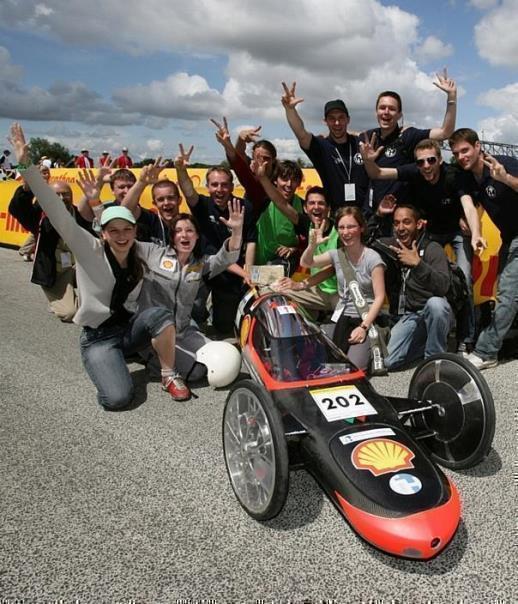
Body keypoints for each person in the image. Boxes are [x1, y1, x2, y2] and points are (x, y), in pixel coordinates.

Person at [9, 122, 193, 406]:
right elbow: (57, 213)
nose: (121, 236)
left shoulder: (140, 249)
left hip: (129, 329)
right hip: (99, 338)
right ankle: (105, 360)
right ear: (102, 232)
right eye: (114, 230)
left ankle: (168, 373)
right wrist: (26, 166)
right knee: (117, 399)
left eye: (127, 229)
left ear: (134, 231)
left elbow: (176, 259)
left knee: (158, 315)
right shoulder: (89, 249)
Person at [360, 137, 485, 352]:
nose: (426, 166)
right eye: (421, 162)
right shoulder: (414, 172)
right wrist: (368, 160)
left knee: (464, 277)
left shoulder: (454, 175)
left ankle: (466, 337)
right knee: (415, 271)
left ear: (440, 160)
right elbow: (377, 173)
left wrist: (476, 233)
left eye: (431, 160)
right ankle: (417, 323)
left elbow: (469, 206)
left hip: (456, 231)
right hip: (431, 232)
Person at [137, 206, 244, 380]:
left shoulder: (200, 264)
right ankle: (154, 361)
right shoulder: (153, 253)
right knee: (197, 372)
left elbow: (227, 258)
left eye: (189, 231)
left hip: (184, 331)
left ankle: (177, 356)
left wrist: (237, 231)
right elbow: (121, 242)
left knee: (221, 360)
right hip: (155, 335)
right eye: (178, 231)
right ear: (172, 236)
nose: (184, 235)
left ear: (196, 236)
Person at [449, 128, 518, 369]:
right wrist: (476, 234)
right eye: (456, 153)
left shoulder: (503, 163)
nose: (461, 157)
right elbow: (469, 206)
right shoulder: (464, 176)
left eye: (465, 150)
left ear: (478, 146)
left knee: (507, 294)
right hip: (510, 237)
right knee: (509, 293)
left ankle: (487, 351)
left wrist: (505, 179)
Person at [175, 144, 256, 334]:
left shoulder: (244, 207)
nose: (219, 189)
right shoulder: (201, 204)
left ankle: (217, 312)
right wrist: (180, 169)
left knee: (224, 328)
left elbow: (252, 241)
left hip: (231, 273)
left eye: (224, 184)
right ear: (207, 186)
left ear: (232, 186)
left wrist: (249, 271)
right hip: (203, 268)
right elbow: (188, 190)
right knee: (193, 310)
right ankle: (197, 315)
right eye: (214, 185)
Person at [360, 69, 458, 216]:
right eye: (382, 108)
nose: (386, 112)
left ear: (399, 115)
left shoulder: (408, 135)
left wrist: (451, 98)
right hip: (373, 214)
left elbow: (445, 132)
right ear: (376, 112)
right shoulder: (367, 138)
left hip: (403, 218)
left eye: (392, 109)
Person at [299, 207, 386, 371]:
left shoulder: (373, 258)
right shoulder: (336, 255)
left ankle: (379, 337)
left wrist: (363, 327)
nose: (346, 232)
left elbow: (380, 297)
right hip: (342, 317)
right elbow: (306, 263)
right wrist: (312, 246)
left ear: (361, 228)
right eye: (341, 227)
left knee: (353, 367)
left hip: (365, 318)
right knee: (320, 360)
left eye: (351, 227)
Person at [376, 205, 452, 370]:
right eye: (396, 223)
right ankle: (424, 342)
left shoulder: (433, 248)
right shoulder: (393, 247)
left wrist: (418, 264)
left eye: (406, 222)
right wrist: (378, 215)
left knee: (436, 304)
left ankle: (434, 360)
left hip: (433, 312)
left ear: (418, 225)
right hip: (410, 316)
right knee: (388, 362)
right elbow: (366, 240)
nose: (401, 228)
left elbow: (444, 287)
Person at [8, 175, 90, 322]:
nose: (62, 197)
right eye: (56, 194)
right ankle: (61, 301)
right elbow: (19, 208)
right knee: (69, 313)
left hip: (78, 269)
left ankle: (74, 299)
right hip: (55, 273)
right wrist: (27, 189)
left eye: (66, 194)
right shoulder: (39, 216)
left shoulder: (78, 214)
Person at [281, 81, 369, 211]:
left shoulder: (361, 143)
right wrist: (290, 110)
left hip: (365, 216)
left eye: (341, 118)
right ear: (325, 121)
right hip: (336, 216)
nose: (337, 123)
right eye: (332, 119)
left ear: (348, 119)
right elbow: (301, 133)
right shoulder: (321, 146)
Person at [211, 116, 277, 219]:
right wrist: (239, 140)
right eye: (258, 158)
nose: (262, 162)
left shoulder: (282, 179)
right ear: (252, 160)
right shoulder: (250, 179)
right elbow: (237, 158)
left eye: (266, 158)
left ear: (274, 159)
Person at [121, 158, 181, 246]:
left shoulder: (188, 224)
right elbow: (124, 211)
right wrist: (141, 182)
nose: (166, 202)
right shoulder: (150, 220)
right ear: (154, 203)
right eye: (160, 199)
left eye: (171, 198)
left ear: (179, 200)